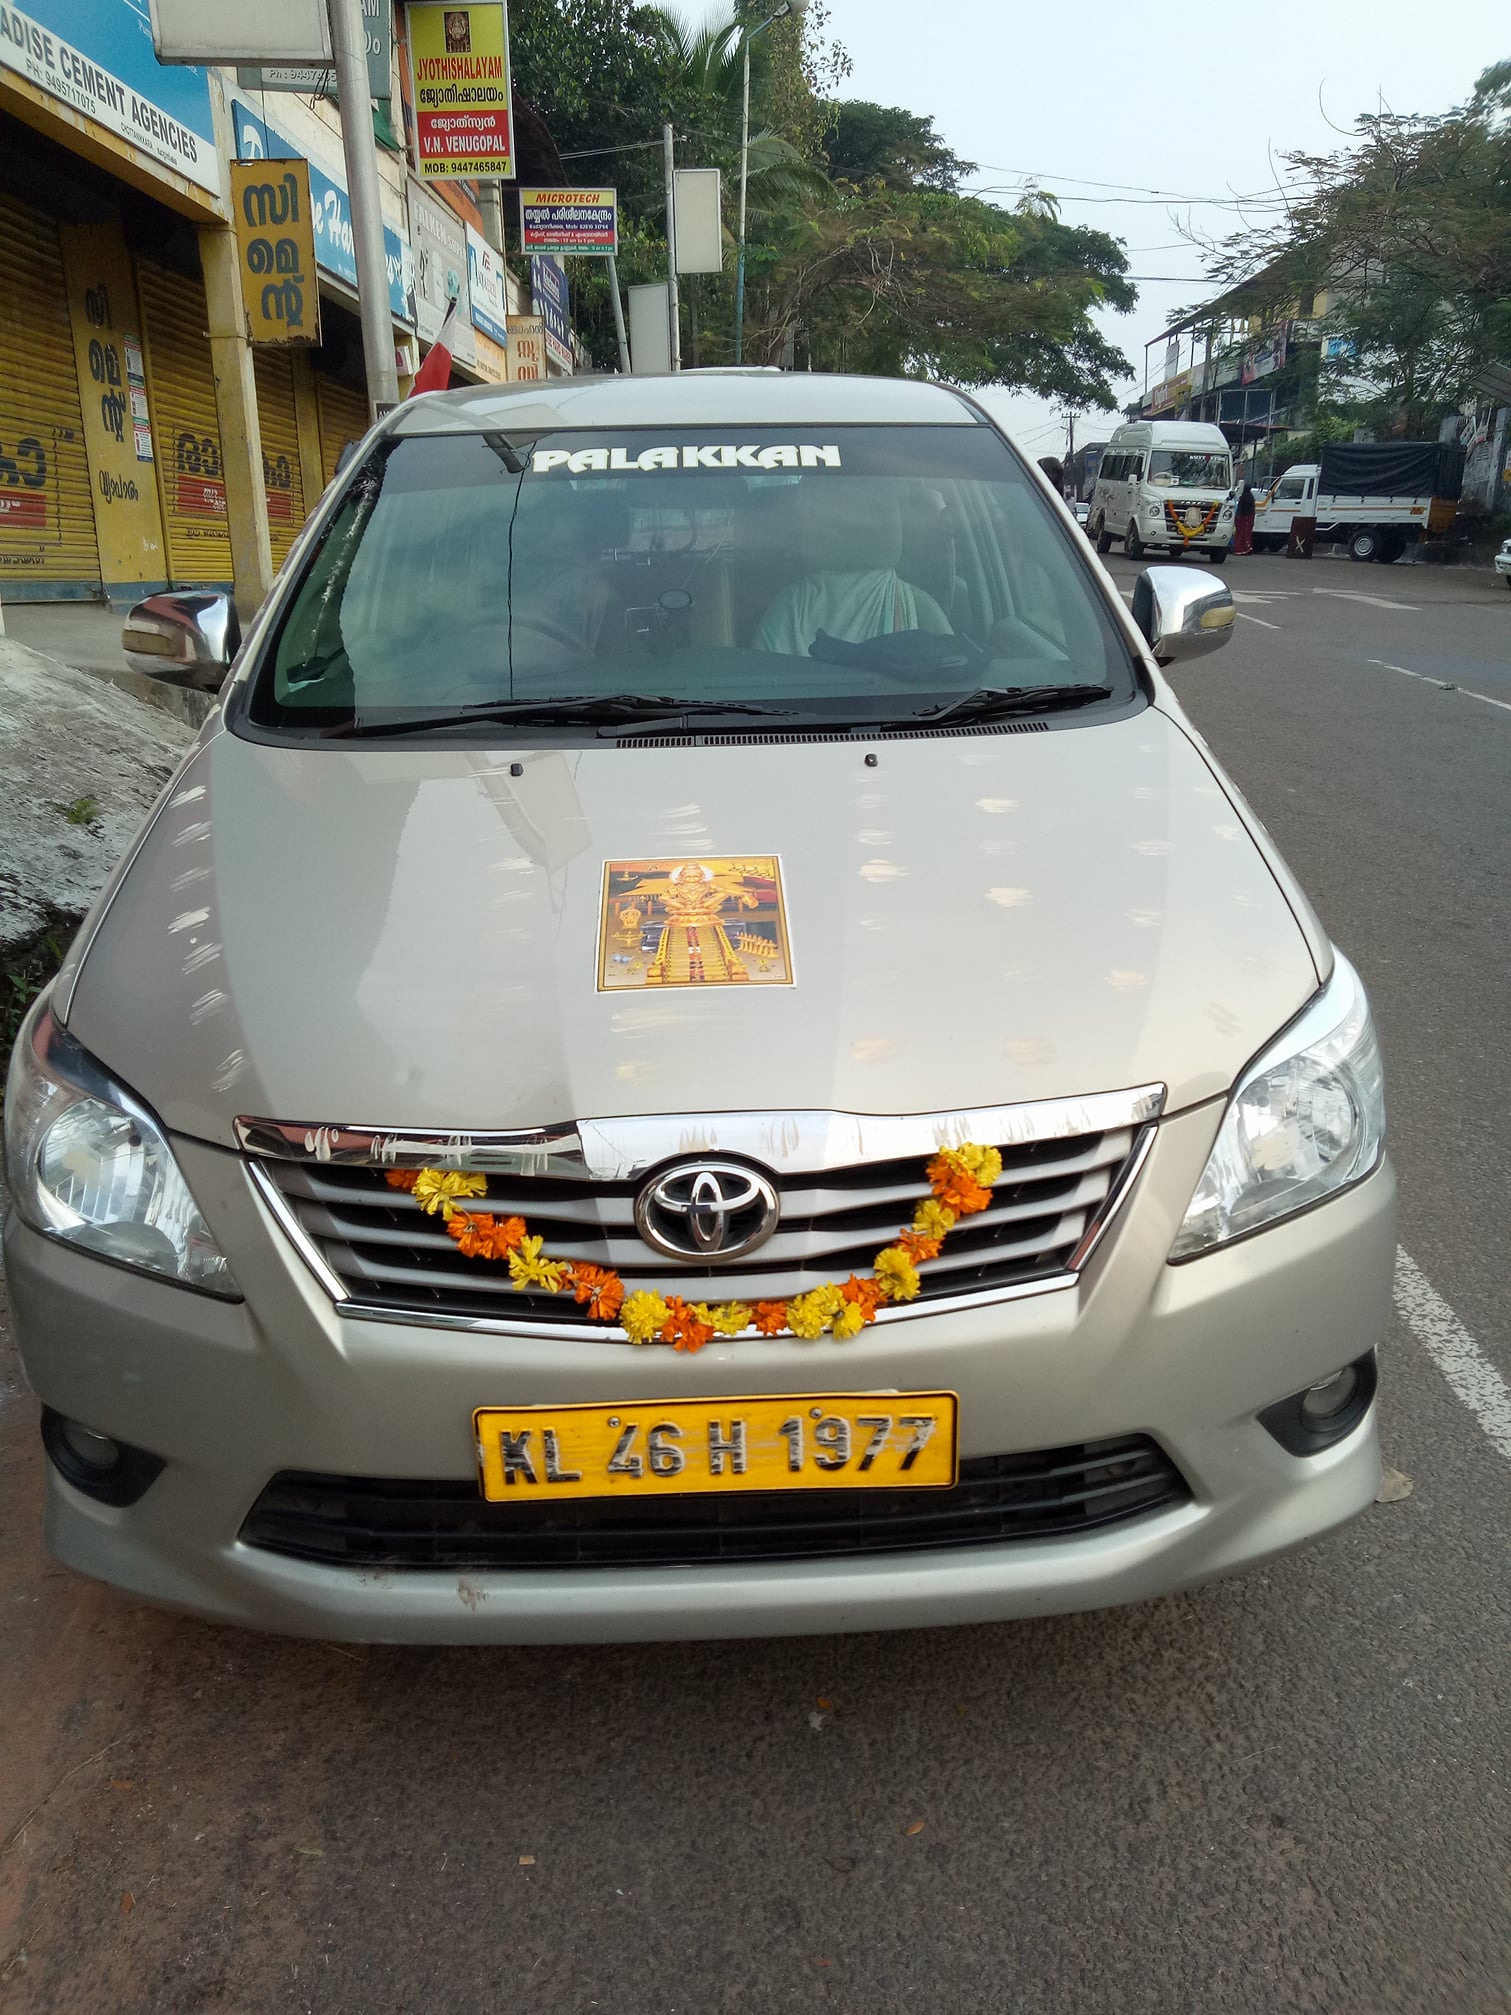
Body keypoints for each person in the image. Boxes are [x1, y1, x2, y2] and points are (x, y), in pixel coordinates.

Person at [1233, 480, 1256, 555]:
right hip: (1249, 518)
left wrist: (1237, 517)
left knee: (1240, 534)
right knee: (1247, 533)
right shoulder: (1251, 497)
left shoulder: (1243, 497)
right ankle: (1247, 547)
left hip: (1242, 518)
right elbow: (1253, 509)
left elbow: (1240, 509)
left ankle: (1240, 549)